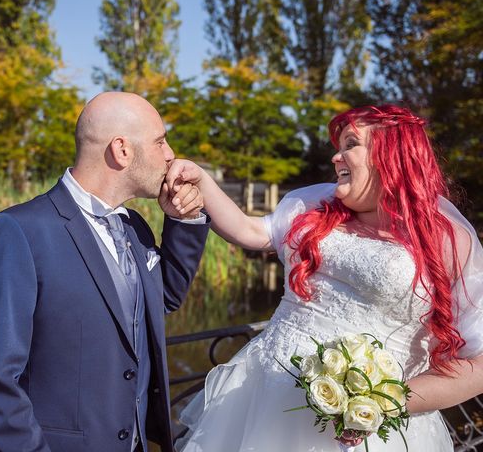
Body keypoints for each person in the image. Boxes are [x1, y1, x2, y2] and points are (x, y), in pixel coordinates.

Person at [166, 105, 483, 452]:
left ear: (392, 155)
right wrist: (202, 182)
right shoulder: (313, 204)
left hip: (369, 434)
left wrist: (385, 403)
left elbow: (478, 364)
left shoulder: (448, 240)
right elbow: (250, 231)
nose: (336, 157)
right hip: (263, 396)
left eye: (350, 144)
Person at [0, 91, 210, 452]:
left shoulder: (135, 226)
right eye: (160, 141)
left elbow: (164, 298)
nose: (171, 155)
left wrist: (182, 220)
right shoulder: (16, 232)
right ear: (121, 150)